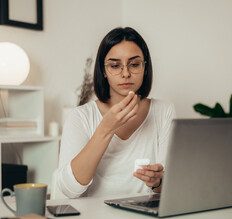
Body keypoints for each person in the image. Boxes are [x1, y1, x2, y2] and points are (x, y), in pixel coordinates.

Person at [57, 27, 175, 198]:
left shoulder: (164, 111)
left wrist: (158, 181)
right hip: (95, 218)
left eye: (134, 64)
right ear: (103, 71)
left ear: (146, 68)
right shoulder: (80, 116)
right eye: (115, 66)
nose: (126, 73)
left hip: (145, 217)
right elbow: (69, 190)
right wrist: (106, 128)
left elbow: (169, 185)